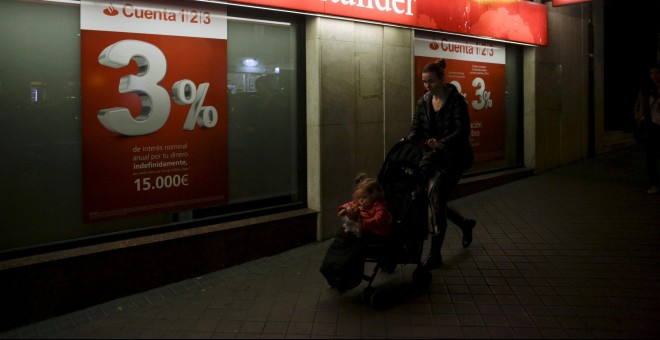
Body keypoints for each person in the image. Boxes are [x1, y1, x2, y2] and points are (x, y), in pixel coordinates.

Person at [407, 59, 476, 270]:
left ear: (443, 79)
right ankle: (465, 224)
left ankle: (435, 255)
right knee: (435, 201)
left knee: (437, 201)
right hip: (432, 159)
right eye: (425, 82)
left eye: (432, 82)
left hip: (454, 159)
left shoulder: (456, 101)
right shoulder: (423, 102)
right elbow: (416, 130)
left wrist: (442, 143)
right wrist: (406, 143)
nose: (428, 86)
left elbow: (462, 131)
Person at [634, 63, 660, 194]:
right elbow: (638, 106)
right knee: (651, 157)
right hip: (652, 127)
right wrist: (639, 118)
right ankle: (654, 184)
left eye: (657, 72)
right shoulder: (646, 90)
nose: (654, 75)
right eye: (652, 73)